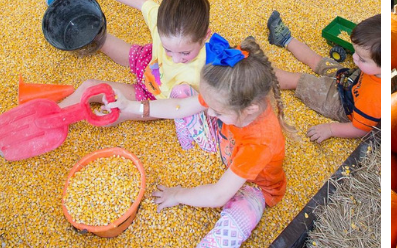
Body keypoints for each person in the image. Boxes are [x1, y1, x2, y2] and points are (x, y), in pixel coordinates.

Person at [114, 35, 289, 248]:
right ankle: (188, 143)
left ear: (249, 109)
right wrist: (131, 107)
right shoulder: (226, 93)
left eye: (217, 111)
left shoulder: (261, 143)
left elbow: (218, 195)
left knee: (235, 226)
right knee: (180, 94)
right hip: (224, 144)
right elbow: (179, 106)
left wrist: (178, 194)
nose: (211, 113)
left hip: (255, 187)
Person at [63, 0, 220, 151]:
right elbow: (140, 2)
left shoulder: (212, 62)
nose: (175, 59)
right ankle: (50, 115)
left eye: (184, 53)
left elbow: (203, 104)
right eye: (168, 49)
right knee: (97, 47)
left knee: (104, 105)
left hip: (155, 100)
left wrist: (127, 112)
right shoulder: (166, 22)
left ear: (205, 36)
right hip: (147, 63)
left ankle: (115, 116)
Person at [267, 12, 381, 142]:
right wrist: (362, 63)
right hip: (350, 79)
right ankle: (284, 39)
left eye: (362, 59)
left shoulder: (374, 98)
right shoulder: (376, 67)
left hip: (341, 104)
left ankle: (256, 72)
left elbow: (361, 129)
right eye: (355, 52)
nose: (354, 57)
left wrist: (331, 129)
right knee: (318, 61)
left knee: (301, 80)